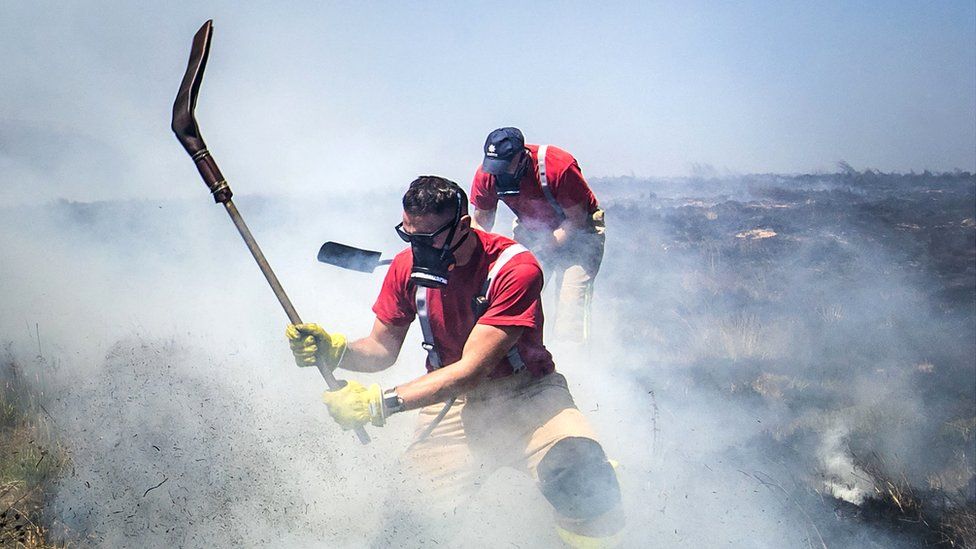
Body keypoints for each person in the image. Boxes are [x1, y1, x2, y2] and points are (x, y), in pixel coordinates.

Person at [286, 176, 624, 547]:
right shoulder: (406, 267)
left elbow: (471, 370)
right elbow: (381, 349)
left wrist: (378, 403)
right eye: (409, 236)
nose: (419, 249)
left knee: (580, 475)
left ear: (462, 226)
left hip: (530, 396)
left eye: (429, 238)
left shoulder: (514, 269)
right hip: (453, 408)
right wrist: (335, 350)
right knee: (405, 523)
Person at [470, 127, 606, 343]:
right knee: (514, 300)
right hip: (531, 231)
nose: (500, 173)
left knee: (570, 311)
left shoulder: (557, 166)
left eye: (506, 166)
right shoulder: (487, 174)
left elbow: (576, 220)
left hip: (579, 234)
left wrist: (539, 251)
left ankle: (573, 368)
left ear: (521, 156)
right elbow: (480, 223)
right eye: (495, 167)